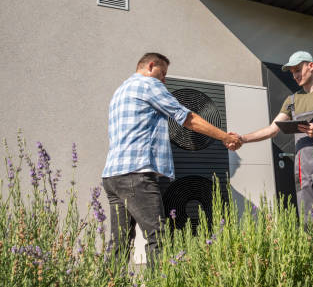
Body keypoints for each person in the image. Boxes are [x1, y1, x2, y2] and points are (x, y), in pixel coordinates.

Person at [101, 52, 241, 266]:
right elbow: (187, 118)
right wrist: (224, 137)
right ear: (150, 66)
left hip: (112, 176)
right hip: (136, 174)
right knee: (158, 237)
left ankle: (109, 280)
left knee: (119, 241)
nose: (164, 80)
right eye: (163, 73)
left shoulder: (120, 91)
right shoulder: (149, 85)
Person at [240, 51, 313, 226]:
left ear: (311, 66)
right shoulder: (291, 101)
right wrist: (243, 139)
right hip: (303, 170)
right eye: (292, 72)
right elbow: (272, 129)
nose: (295, 75)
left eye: (298, 69)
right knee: (309, 220)